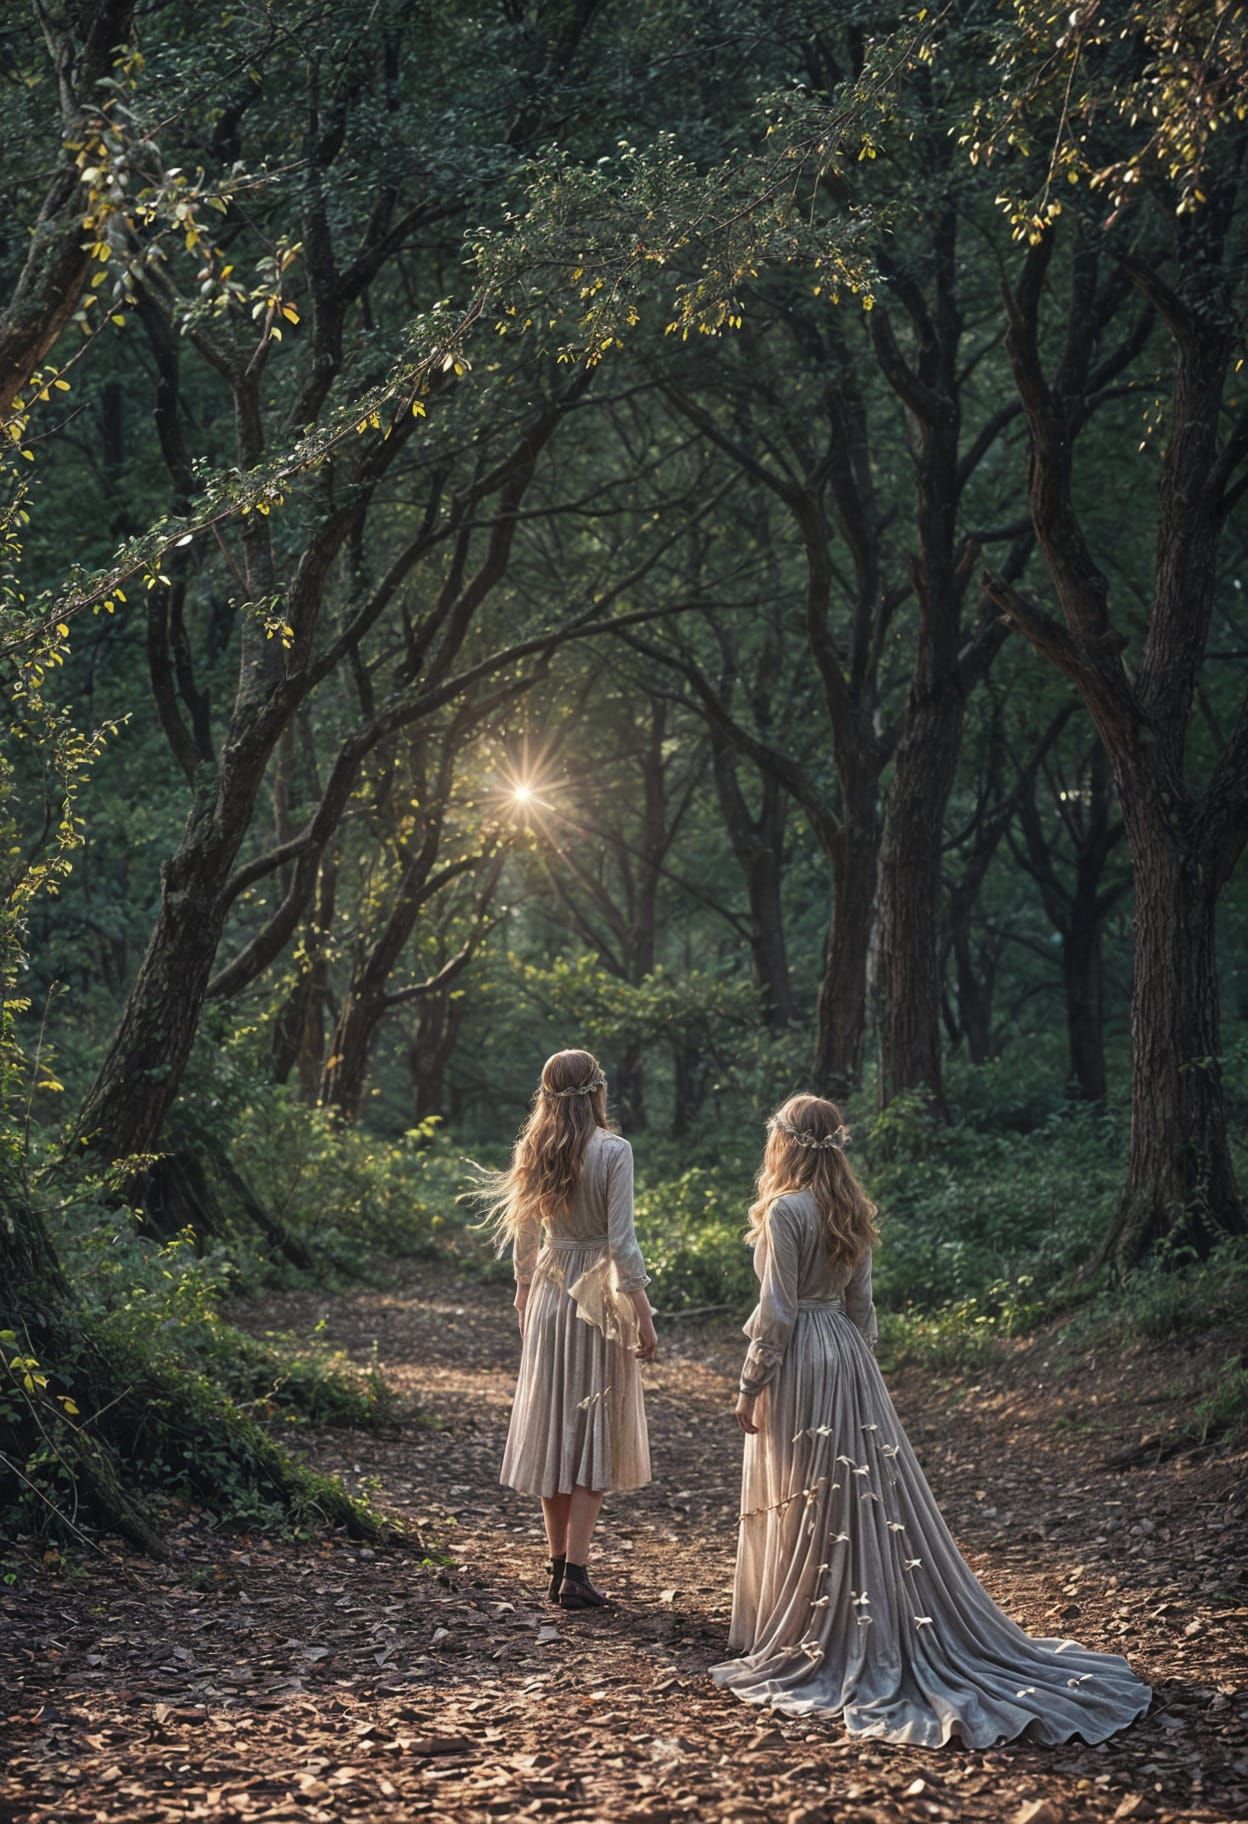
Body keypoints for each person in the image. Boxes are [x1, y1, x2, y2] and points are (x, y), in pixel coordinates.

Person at [711, 1093, 1152, 1748]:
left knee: (803, 1490)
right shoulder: (848, 1209)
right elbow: (862, 1307)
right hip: (847, 1355)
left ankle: (807, 1623)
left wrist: (751, 1384)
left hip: (803, 1355)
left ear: (787, 1142)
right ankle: (845, 1615)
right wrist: (861, 1374)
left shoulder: (786, 1210)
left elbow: (776, 1311)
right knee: (850, 1493)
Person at [476, 1048, 657, 1610]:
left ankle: (559, 1569)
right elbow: (622, 1243)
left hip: (553, 1292)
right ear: (598, 1090)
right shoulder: (613, 1150)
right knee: (593, 1426)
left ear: (546, 1094)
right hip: (597, 1296)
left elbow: (524, 1239)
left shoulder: (534, 1148)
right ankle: (576, 1570)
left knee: (555, 1428)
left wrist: (524, 1292)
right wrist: (644, 1312)